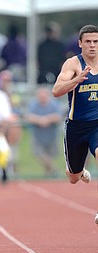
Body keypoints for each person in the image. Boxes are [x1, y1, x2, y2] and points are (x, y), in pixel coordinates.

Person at [52, 24, 98, 224]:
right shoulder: (73, 63)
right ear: (80, 44)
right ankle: (80, 171)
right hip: (76, 127)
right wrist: (77, 80)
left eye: (96, 42)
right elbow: (56, 90)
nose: (92, 46)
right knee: (73, 177)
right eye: (88, 41)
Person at [25, 87, 62, 177]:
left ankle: (49, 174)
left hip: (51, 134)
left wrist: (47, 119)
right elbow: (28, 117)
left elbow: (58, 116)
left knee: (50, 154)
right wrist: (40, 120)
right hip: (38, 135)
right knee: (39, 153)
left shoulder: (54, 104)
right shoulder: (34, 105)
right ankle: (54, 170)